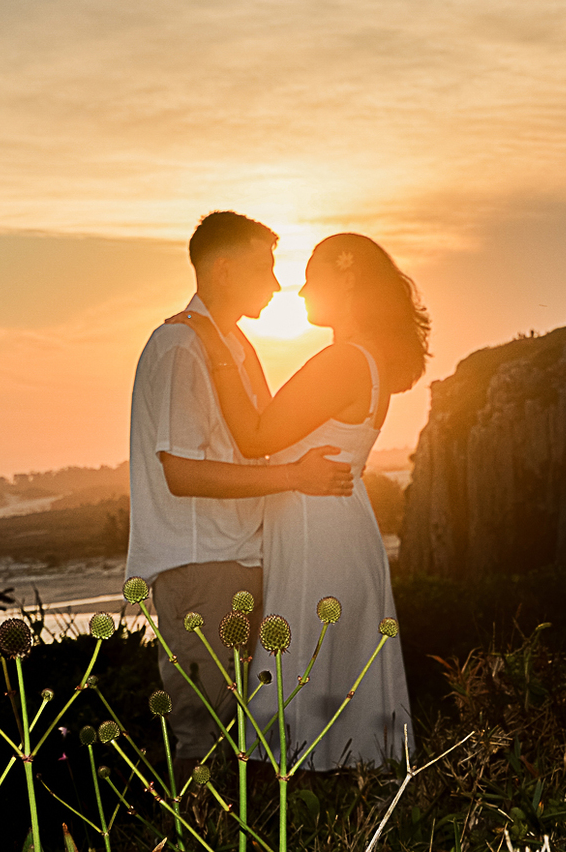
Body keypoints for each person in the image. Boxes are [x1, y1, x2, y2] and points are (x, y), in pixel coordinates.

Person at [172, 232, 429, 770]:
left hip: (319, 535)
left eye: (313, 275)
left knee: (301, 681)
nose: (300, 289)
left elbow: (256, 437)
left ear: (348, 277)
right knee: (332, 690)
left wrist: (214, 345)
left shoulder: (343, 361)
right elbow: (278, 419)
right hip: (336, 526)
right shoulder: (364, 360)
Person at [125, 211, 354, 778]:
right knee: (207, 739)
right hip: (203, 567)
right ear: (223, 270)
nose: (276, 285)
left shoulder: (231, 345)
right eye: (264, 268)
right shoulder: (181, 347)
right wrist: (295, 477)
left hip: (235, 561)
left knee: (242, 738)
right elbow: (183, 474)